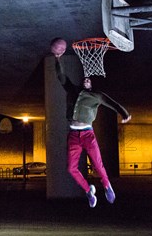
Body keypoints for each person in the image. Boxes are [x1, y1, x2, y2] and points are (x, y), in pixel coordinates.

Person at [50, 38, 131, 208]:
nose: (86, 80)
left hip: (87, 134)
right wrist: (58, 59)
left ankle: (108, 186)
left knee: (97, 164)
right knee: (71, 169)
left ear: (93, 84)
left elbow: (114, 104)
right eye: (85, 79)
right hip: (73, 135)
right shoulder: (72, 89)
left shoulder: (97, 96)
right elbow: (61, 76)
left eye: (89, 80)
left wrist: (124, 113)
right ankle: (89, 191)